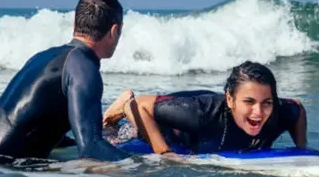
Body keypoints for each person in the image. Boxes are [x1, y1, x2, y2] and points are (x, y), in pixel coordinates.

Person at [0, 0, 129, 162]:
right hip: (4, 168)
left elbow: (36, 128)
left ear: (74, 24)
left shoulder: (44, 57)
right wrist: (145, 166)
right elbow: (91, 150)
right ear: (113, 31)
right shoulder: (84, 68)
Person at [102, 61, 307, 155]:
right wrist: (164, 153)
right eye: (249, 102)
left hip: (201, 103)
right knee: (117, 136)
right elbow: (139, 106)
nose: (259, 112)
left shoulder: (277, 113)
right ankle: (120, 103)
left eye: (267, 103)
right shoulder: (201, 115)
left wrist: (301, 150)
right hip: (174, 118)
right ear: (230, 99)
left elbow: (298, 108)